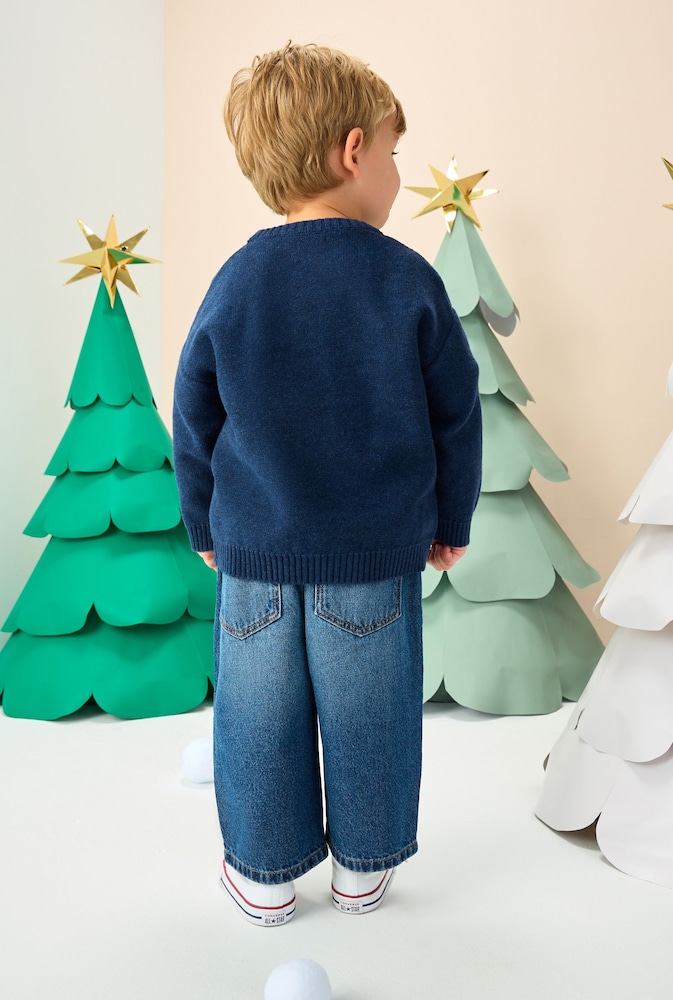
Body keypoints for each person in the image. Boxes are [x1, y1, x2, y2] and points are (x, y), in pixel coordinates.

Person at [172, 42, 482, 927]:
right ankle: (362, 868)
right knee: (370, 713)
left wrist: (204, 523)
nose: (397, 171)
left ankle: (263, 875)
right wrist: (451, 517)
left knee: (254, 716)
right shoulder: (407, 279)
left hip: (255, 559)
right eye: (393, 150)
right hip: (372, 560)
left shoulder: (237, 279)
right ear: (354, 152)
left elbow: (193, 410)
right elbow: (456, 410)